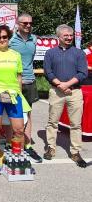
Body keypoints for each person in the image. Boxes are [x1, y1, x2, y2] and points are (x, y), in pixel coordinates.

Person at [0, 25, 30, 174]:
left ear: (8, 37)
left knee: (19, 129)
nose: (2, 40)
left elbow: (19, 77)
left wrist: (19, 93)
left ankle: (15, 157)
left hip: (13, 95)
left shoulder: (16, 55)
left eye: (4, 37)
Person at [43, 24, 88, 167]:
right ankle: (51, 148)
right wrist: (60, 85)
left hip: (74, 92)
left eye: (71, 35)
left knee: (76, 124)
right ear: (58, 37)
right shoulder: (50, 53)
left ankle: (75, 152)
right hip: (56, 91)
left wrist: (67, 85)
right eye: (66, 36)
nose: (69, 38)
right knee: (52, 122)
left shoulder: (79, 53)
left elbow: (83, 73)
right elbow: (48, 72)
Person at [8, 14, 42, 163]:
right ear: (18, 24)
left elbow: (30, 59)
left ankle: (27, 146)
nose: (28, 25)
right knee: (12, 114)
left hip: (30, 81)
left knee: (27, 114)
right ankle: (12, 145)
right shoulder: (10, 40)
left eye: (30, 23)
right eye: (25, 23)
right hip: (13, 82)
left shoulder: (34, 39)